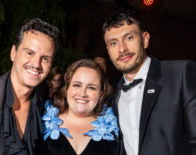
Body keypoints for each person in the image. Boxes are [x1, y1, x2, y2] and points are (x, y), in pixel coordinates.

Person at [102, 8, 196, 155]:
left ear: (145, 39)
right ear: (108, 51)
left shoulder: (181, 74)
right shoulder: (115, 96)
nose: (122, 49)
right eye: (113, 43)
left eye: (129, 38)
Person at [0, 18, 59, 154]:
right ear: (13, 53)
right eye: (29, 53)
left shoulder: (43, 100)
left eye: (45, 58)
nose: (37, 64)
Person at [41, 59, 119, 155]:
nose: (82, 94)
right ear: (67, 89)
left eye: (91, 87)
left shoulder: (113, 129)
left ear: (100, 93)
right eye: (77, 85)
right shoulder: (43, 124)